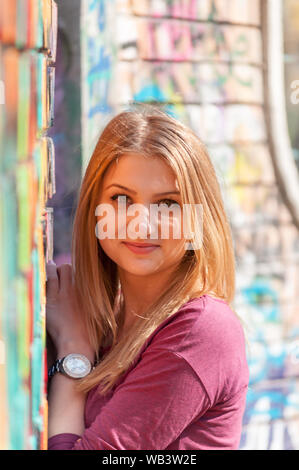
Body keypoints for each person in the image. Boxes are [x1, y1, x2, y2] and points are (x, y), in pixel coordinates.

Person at [46, 104, 249, 450]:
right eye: (121, 198)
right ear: (95, 210)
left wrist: (74, 352)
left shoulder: (201, 331)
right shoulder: (108, 318)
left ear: (198, 220)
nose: (141, 223)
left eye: (168, 204)